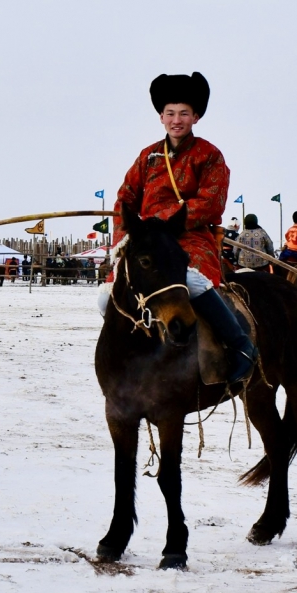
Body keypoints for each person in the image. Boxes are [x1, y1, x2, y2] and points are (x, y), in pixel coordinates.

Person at [110, 71, 256, 388]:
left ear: (196, 117)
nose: (177, 120)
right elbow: (125, 198)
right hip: (147, 241)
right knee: (106, 295)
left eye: (184, 113)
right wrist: (125, 235)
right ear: (161, 117)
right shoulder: (146, 157)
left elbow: (211, 203)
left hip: (189, 237)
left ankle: (240, 344)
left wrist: (164, 219)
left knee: (190, 279)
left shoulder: (210, 155)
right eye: (171, 113)